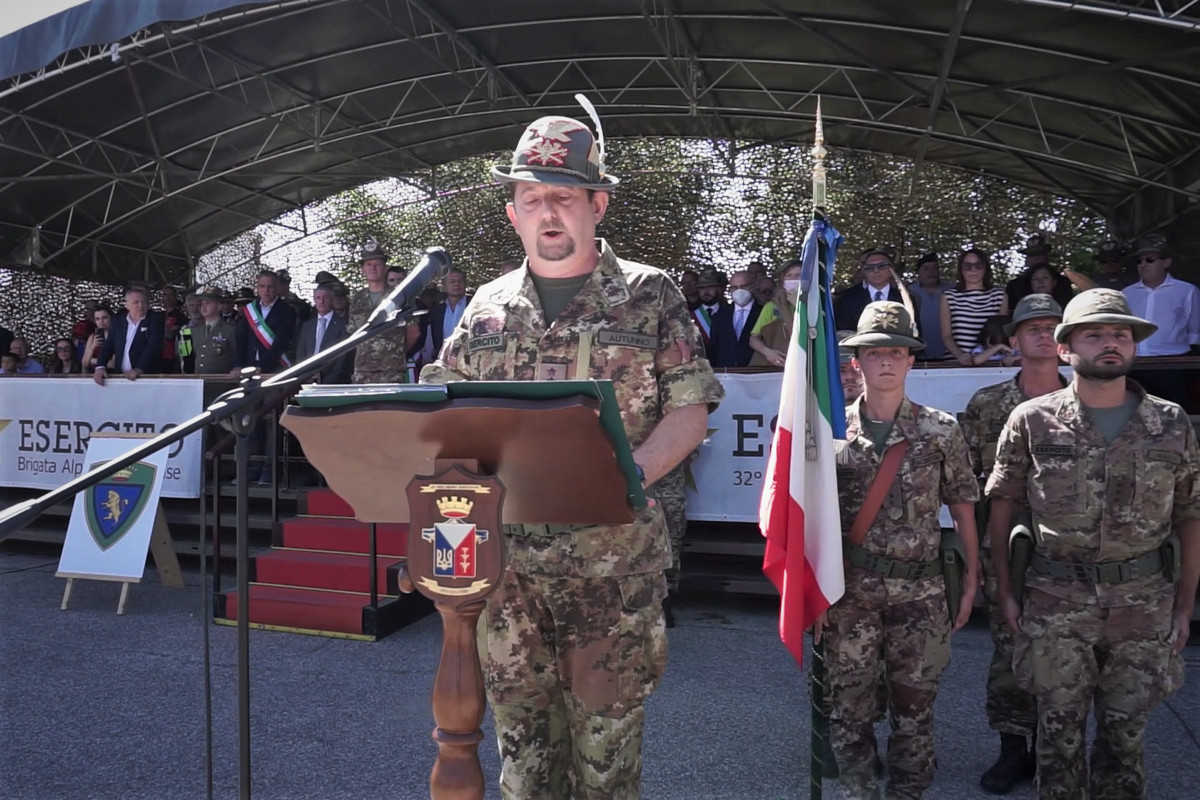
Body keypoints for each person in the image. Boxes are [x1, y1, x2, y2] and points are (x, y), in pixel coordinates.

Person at [421, 107, 723, 800]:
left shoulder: (650, 295)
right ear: (513, 214)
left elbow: (690, 410)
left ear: (597, 204)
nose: (548, 212)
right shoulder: (486, 309)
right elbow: (441, 416)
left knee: (605, 764)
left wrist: (624, 475)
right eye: (533, 199)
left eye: (563, 196)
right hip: (511, 574)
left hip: (610, 572)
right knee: (524, 765)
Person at [985, 288, 1199, 800]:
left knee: (1125, 741)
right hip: (1055, 602)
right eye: (1094, 334)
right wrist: (1007, 593)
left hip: (1143, 604)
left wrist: (1184, 605)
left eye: (1120, 335)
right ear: (1065, 348)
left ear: (1133, 347)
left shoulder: (1171, 423)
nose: (1110, 343)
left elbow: (1190, 516)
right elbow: (1003, 507)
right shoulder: (1032, 420)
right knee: (1057, 740)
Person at [822, 301, 980, 800]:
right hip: (850, 594)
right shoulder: (830, 432)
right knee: (849, 704)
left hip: (921, 592)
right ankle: (857, 790)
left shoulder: (940, 430)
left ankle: (909, 791)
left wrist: (972, 578)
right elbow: (811, 518)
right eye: (874, 353)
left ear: (911, 361)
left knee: (915, 707)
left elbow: (963, 507)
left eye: (896, 352)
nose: (886, 362)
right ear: (856, 363)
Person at [960, 293, 1066, 795]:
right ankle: (1011, 750)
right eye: (1032, 327)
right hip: (1002, 545)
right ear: (1014, 339)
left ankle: (1053, 748)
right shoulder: (988, 404)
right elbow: (963, 478)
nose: (1043, 335)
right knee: (1008, 649)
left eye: (1053, 326)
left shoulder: (1089, 399)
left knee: (1065, 652)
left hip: (1068, 550)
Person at [348, 239, 420, 384]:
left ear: (385, 268)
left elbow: (414, 332)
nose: (372, 268)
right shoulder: (357, 299)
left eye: (377, 264)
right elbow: (353, 333)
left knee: (391, 407)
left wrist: (395, 353)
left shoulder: (400, 297)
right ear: (362, 269)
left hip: (391, 372)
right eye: (368, 264)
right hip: (363, 372)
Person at [941, 249, 1008, 365]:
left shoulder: (999, 296)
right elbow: (946, 336)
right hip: (955, 363)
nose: (973, 270)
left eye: (978, 265)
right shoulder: (949, 296)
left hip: (991, 363)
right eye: (967, 266)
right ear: (960, 269)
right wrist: (961, 356)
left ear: (985, 268)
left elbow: (1001, 334)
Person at [834, 247, 920, 333]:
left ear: (891, 270)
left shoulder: (906, 299)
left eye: (882, 266)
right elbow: (842, 333)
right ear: (864, 271)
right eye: (870, 267)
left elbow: (915, 334)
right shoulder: (846, 298)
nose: (876, 270)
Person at [93, 286, 166, 384]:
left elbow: (153, 347)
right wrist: (100, 367)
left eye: (143, 302)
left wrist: (139, 369)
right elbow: (108, 346)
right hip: (121, 377)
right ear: (126, 305)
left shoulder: (155, 320)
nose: (140, 305)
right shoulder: (119, 322)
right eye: (136, 302)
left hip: (147, 377)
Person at [293, 283, 353, 384]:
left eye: (326, 298)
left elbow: (342, 362)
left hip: (333, 382)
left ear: (332, 300)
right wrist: (304, 378)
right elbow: (301, 355)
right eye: (318, 298)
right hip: (308, 380)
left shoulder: (343, 325)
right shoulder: (307, 326)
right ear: (314, 300)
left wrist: (327, 382)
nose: (322, 302)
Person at [748, 259, 802, 368]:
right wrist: (767, 352)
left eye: (798, 276)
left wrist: (799, 306)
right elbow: (753, 338)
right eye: (789, 276)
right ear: (782, 280)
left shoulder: (816, 306)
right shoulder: (772, 306)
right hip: (773, 367)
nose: (793, 279)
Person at [707, 269, 761, 368]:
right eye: (734, 287)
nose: (739, 291)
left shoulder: (762, 312)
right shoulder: (720, 315)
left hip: (755, 373)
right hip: (726, 374)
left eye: (743, 286)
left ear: (753, 286)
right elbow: (714, 348)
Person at [186, 286, 239, 375]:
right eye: (202, 303)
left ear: (219, 306)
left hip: (220, 383)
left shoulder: (231, 330)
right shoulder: (195, 330)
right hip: (199, 382)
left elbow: (238, 356)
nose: (203, 306)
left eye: (207, 303)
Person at [908, 253, 950, 361]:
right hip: (919, 356)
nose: (931, 272)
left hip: (951, 355)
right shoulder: (907, 292)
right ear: (918, 272)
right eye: (926, 269)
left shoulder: (952, 291)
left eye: (935, 268)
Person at [82, 304, 115, 372]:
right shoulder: (93, 336)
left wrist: (92, 360)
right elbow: (84, 363)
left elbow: (114, 364)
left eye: (104, 318)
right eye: (97, 319)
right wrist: (92, 348)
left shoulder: (118, 335)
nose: (101, 322)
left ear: (111, 317)